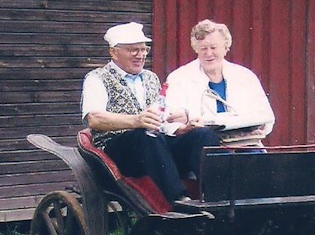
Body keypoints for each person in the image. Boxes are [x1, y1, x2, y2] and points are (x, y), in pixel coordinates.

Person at [80, 22, 220, 203]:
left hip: (153, 149)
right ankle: (179, 200)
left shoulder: (150, 78)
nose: (141, 55)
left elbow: (159, 118)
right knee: (144, 135)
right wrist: (136, 121)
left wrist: (179, 128)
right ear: (113, 52)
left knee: (202, 134)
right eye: (133, 50)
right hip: (117, 154)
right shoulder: (96, 78)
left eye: (143, 49)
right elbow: (94, 119)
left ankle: (216, 197)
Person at [165, 19, 275, 145]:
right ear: (196, 49)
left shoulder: (245, 76)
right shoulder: (179, 77)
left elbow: (267, 117)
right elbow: (168, 122)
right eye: (203, 48)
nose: (208, 53)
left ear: (226, 47)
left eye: (213, 47)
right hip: (204, 146)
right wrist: (183, 122)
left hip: (246, 143)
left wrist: (258, 128)